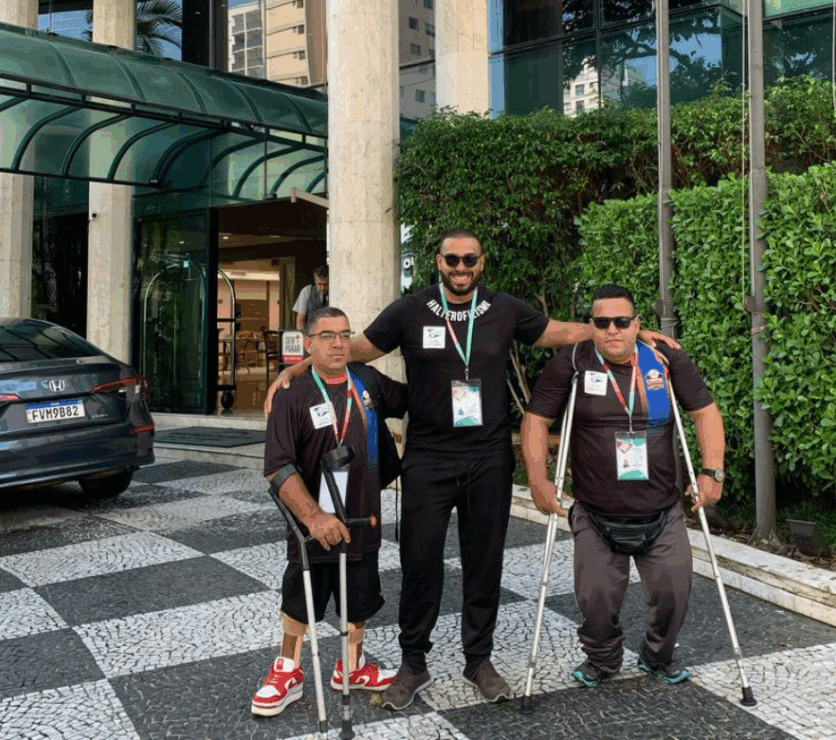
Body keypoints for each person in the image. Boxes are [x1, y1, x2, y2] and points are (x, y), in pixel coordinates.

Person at [265, 230, 676, 710]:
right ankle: (413, 663)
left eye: (469, 259)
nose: (461, 268)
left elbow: (559, 332)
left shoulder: (503, 309)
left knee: (484, 563)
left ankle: (478, 660)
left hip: (488, 459)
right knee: (420, 564)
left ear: (481, 262)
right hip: (428, 458)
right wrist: (298, 368)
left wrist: (620, 332)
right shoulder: (411, 309)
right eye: (452, 260)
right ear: (439, 262)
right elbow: (356, 348)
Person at [521, 284, 725, 690]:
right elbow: (536, 418)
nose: (612, 329)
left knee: (673, 595)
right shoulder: (573, 361)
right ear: (591, 325)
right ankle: (602, 659)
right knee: (595, 603)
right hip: (596, 513)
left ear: (637, 323)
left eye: (621, 321)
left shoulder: (665, 359)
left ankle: (658, 655)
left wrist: (712, 471)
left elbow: (704, 411)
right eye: (602, 322)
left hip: (662, 510)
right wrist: (538, 479)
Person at [252, 306, 405, 718]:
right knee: (299, 599)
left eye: (344, 334)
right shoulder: (292, 394)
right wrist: (314, 518)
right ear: (308, 344)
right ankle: (288, 671)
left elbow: (413, 399)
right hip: (313, 524)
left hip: (362, 518)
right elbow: (277, 466)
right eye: (327, 336)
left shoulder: (367, 380)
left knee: (359, 598)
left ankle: (352, 666)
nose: (338, 343)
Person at [293, 266, 330, 331]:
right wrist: (303, 335)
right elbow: (301, 319)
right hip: (311, 332)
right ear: (315, 280)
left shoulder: (335, 293)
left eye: (326, 284)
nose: (323, 288)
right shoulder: (306, 291)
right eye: (319, 284)